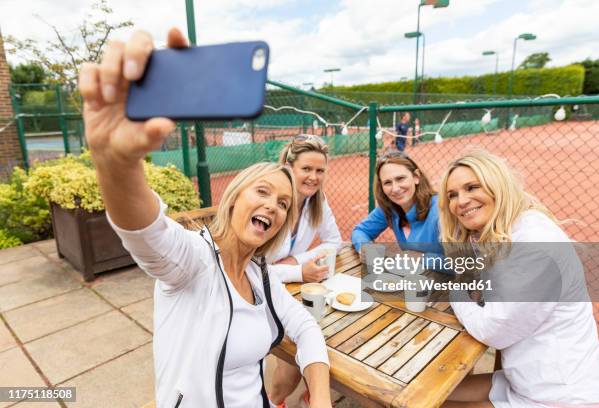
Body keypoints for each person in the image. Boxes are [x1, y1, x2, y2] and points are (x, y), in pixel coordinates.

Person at [78, 27, 332, 408]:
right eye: (262, 192)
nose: (274, 207)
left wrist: (323, 397)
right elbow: (146, 233)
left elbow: (306, 327)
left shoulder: (258, 275)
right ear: (232, 200)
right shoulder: (193, 262)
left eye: (284, 204)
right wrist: (116, 162)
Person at [438, 151, 599, 408]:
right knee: (426, 394)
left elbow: (493, 330)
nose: (460, 201)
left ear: (498, 185)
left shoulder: (534, 242)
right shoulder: (508, 232)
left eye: (472, 187)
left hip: (562, 398)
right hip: (528, 379)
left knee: (423, 402)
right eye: (452, 195)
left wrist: (455, 293)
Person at [267, 134, 342, 407]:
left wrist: (295, 261)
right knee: (298, 348)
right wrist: (298, 272)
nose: (313, 176)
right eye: (306, 169)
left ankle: (312, 393)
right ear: (289, 166)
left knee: (332, 325)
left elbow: (335, 242)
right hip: (259, 294)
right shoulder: (271, 203)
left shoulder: (317, 201)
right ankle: (277, 400)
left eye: (320, 170)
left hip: (292, 287)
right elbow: (249, 270)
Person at [351, 151, 446, 269]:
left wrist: (420, 258)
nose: (395, 189)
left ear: (416, 177)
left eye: (400, 178)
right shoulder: (390, 207)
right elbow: (360, 231)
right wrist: (365, 248)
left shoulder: (441, 211)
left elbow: (464, 262)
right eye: (387, 183)